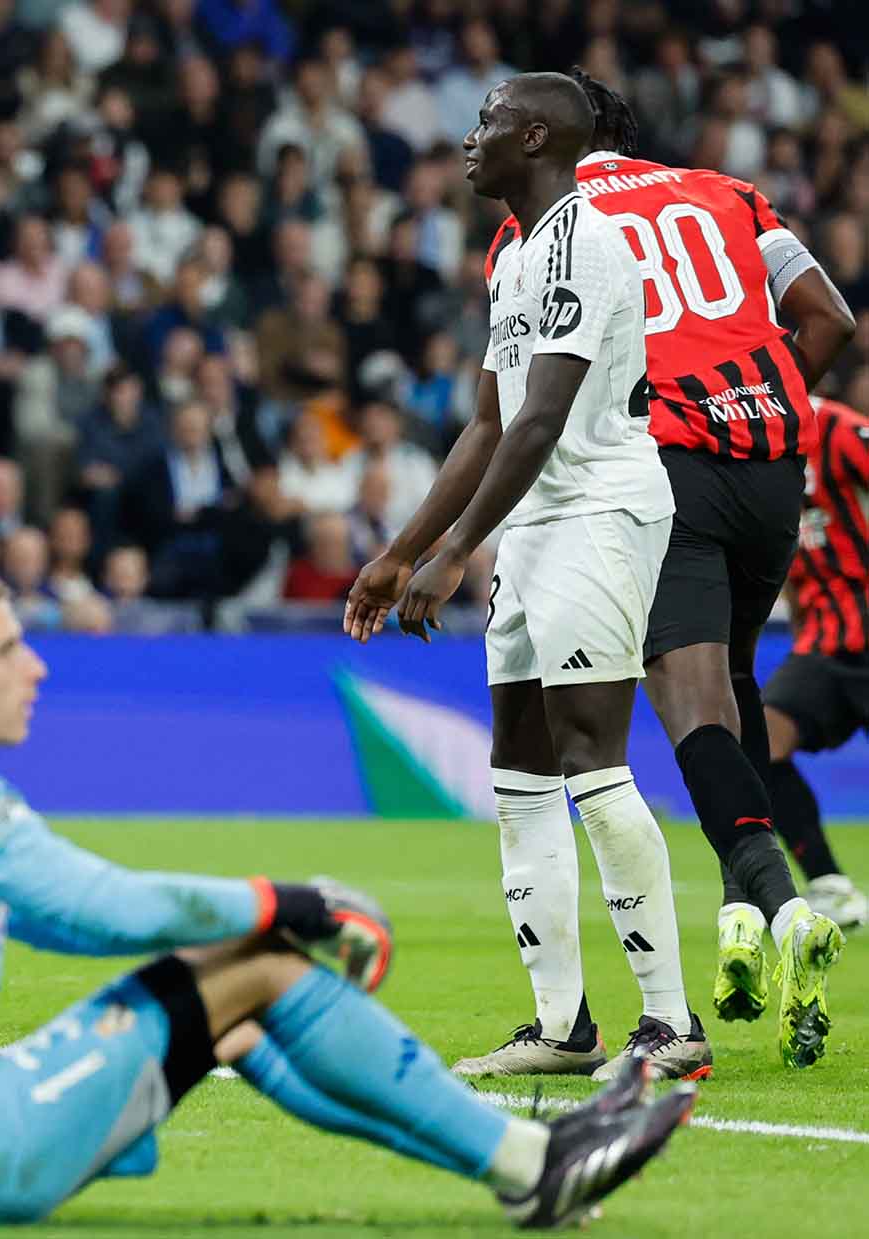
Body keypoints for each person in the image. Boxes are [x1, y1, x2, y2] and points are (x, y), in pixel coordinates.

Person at [0, 567, 695, 1228]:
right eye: (9, 648)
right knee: (256, 968)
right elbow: (105, 909)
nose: (37, 667)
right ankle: (537, 1165)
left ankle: (526, 1161)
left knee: (235, 1020)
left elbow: (56, 917)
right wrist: (292, 900)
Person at [484, 70, 853, 1066]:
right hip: (772, 463)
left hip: (664, 463)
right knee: (730, 687)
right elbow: (829, 322)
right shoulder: (726, 195)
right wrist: (766, 414)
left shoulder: (548, 220)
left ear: (552, 134)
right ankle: (745, 915)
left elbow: (519, 401)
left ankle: (778, 906)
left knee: (685, 707)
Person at [345, 75, 705, 1082]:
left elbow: (545, 420)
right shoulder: (514, 257)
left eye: (485, 125)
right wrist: (399, 552)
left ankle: (669, 1024)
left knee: (592, 759)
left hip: (595, 512)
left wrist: (456, 551)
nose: (466, 140)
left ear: (534, 136)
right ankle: (559, 1026)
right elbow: (490, 423)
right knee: (518, 775)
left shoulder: (584, 241)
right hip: (534, 523)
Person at [762, 395, 869, 931]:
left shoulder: (838, 428)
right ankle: (828, 882)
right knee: (761, 741)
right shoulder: (745, 435)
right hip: (825, 642)